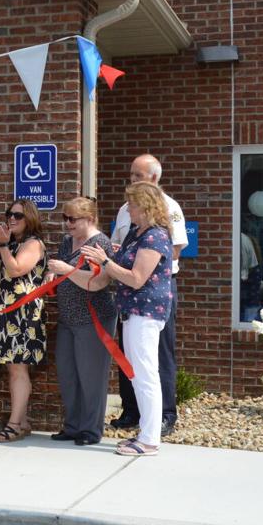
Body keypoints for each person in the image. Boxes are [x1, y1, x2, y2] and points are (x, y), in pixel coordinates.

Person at [84, 181, 173, 456]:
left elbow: (136, 278)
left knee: (146, 374)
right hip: (133, 312)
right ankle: (146, 434)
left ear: (145, 206)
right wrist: (110, 253)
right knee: (139, 373)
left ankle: (149, 440)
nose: (128, 210)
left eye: (132, 205)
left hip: (145, 313)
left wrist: (106, 262)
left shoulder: (155, 236)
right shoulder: (138, 232)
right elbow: (125, 261)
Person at [110, 154, 186, 436]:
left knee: (158, 353)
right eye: (131, 175)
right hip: (127, 287)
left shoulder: (169, 207)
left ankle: (165, 414)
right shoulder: (125, 209)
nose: (133, 180)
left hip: (155, 289)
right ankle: (131, 409)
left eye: (138, 176)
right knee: (128, 351)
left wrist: (128, 263)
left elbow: (174, 248)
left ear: (155, 178)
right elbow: (119, 244)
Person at [46, 196, 116, 445]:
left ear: (90, 218)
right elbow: (61, 268)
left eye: (73, 219)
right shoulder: (67, 241)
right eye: (65, 218)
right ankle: (73, 426)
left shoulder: (100, 244)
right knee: (68, 374)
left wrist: (65, 270)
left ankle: (90, 430)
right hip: (68, 318)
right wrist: (54, 272)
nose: (68, 223)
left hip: (93, 319)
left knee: (91, 376)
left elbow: (99, 282)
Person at [0, 198, 47, 442]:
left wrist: (4, 246)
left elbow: (16, 269)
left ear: (29, 218)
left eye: (18, 216)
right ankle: (22, 420)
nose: (12, 219)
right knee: (12, 369)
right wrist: (0, 246)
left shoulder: (33, 243)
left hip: (23, 316)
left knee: (18, 369)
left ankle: (15, 423)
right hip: (2, 313)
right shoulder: (9, 243)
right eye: (9, 214)